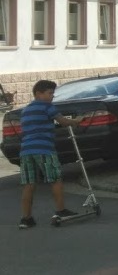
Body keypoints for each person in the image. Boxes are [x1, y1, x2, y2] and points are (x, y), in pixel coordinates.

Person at [18, 79, 85, 228]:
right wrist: (76, 121)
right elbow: (63, 121)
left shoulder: (25, 110)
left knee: (29, 184)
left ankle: (26, 218)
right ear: (38, 93)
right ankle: (61, 210)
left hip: (26, 151)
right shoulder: (47, 107)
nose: (52, 96)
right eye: (49, 93)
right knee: (55, 179)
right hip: (44, 149)